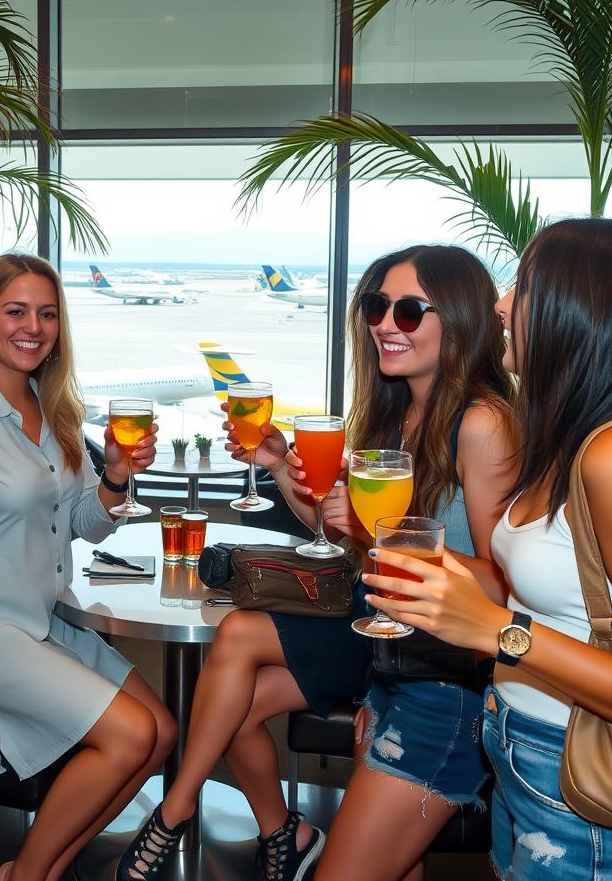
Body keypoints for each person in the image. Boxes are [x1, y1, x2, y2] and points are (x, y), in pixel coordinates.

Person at [119, 244, 518, 881]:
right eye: (376, 306)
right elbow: (346, 541)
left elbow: (507, 583)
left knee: (239, 654)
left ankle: (178, 809)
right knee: (233, 703)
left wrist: (384, 539)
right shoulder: (398, 416)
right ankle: (282, 831)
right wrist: (280, 466)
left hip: (445, 672)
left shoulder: (482, 424)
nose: (386, 323)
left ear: (464, 318)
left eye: (409, 310)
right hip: (392, 648)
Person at [368, 219, 612, 880]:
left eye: (525, 285)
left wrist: (502, 633)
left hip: (592, 792)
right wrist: (436, 568)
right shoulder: (577, 440)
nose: (499, 304)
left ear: (585, 311)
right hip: (528, 758)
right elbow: (543, 598)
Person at [0, 253, 177, 881]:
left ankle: (36, 868)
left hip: (47, 619)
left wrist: (117, 479)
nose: (33, 326)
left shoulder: (57, 410)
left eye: (47, 314)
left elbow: (81, 527)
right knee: (130, 735)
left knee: (162, 733)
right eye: (15, 311)